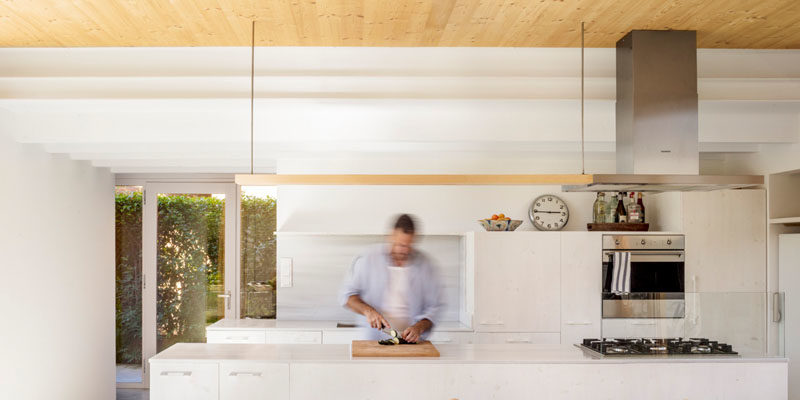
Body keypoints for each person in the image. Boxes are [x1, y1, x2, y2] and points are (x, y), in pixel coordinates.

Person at [339, 214, 443, 343]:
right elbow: (348, 296)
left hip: (410, 342)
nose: (403, 250)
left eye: (408, 246)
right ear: (390, 236)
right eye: (399, 244)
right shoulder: (368, 258)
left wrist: (419, 327)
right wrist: (368, 311)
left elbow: (435, 306)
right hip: (373, 339)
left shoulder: (426, 265)